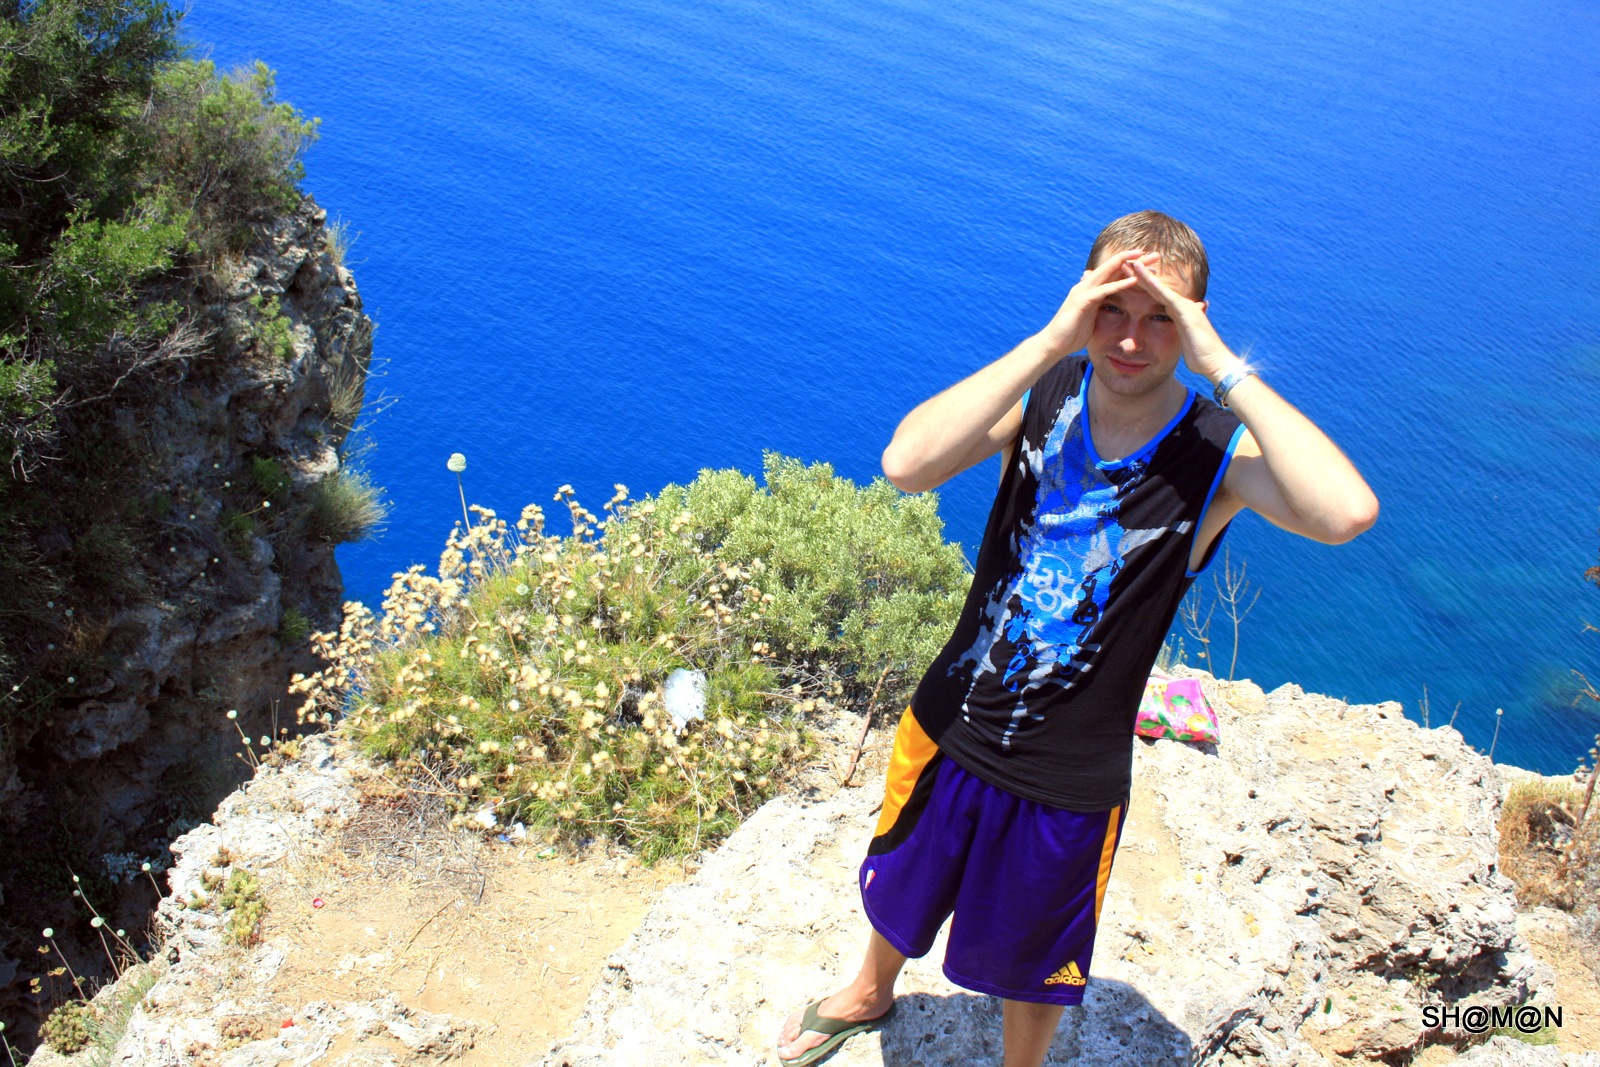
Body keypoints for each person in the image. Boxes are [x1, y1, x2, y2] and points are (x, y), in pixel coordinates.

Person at [775, 211, 1379, 1067]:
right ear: (1084, 302)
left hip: (1068, 774)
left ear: (1195, 320)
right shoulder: (1047, 393)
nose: (1131, 339)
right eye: (1113, 310)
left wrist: (1225, 367)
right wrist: (1050, 340)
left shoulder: (1216, 453)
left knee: (1038, 960)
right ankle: (872, 988)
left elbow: (1346, 512)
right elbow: (907, 464)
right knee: (901, 879)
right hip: (951, 718)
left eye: (1161, 316)